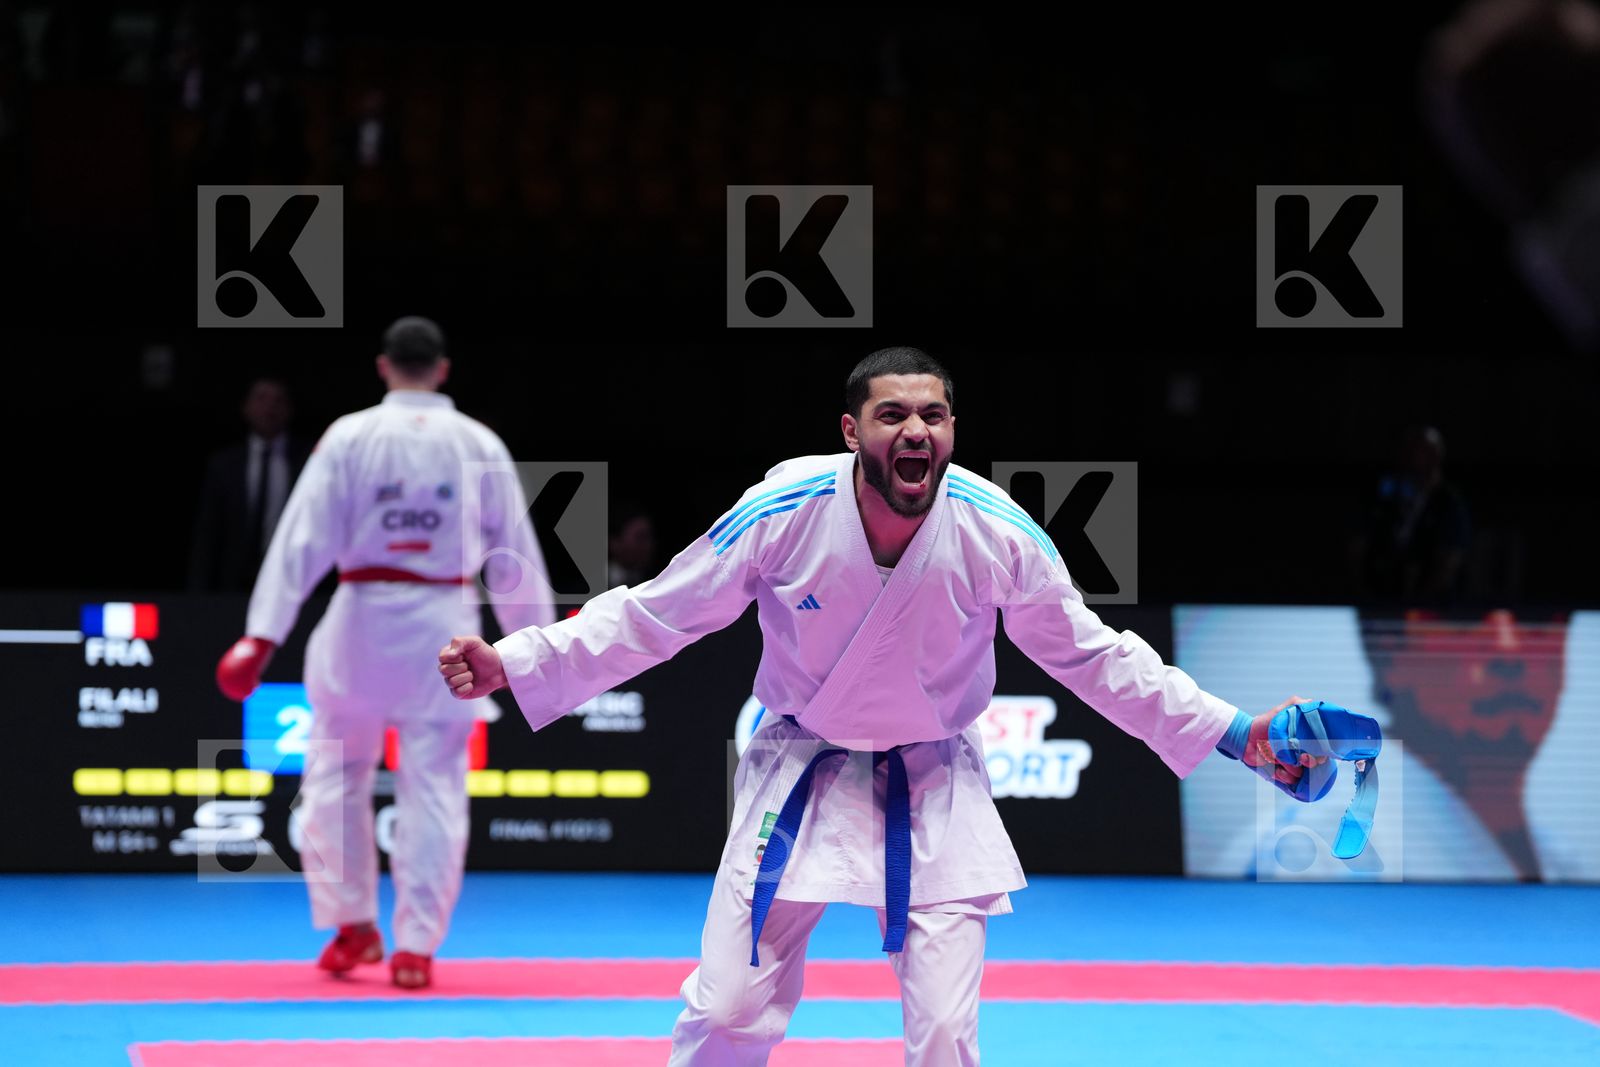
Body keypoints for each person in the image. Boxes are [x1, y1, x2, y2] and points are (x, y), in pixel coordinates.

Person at [438, 346, 1331, 1063]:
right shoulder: (782, 507)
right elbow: (658, 610)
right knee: (730, 1009)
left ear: (953, 430)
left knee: (945, 1035)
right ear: (851, 430)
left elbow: (1094, 655)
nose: (916, 431)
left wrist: (1233, 733)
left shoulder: (998, 530)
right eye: (893, 414)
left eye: (934, 415)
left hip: (936, 782)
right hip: (801, 772)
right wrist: (518, 659)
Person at [217, 317, 553, 990]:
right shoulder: (478, 440)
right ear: (442, 369)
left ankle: (354, 925)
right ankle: (416, 949)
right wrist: (536, 647)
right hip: (446, 628)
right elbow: (513, 556)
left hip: (359, 629)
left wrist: (262, 634)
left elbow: (301, 537)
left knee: (334, 778)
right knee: (435, 789)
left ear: (383, 366)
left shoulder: (350, 435)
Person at [189, 376, 312, 592]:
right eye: (262, 399)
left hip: (288, 579)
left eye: (278, 400)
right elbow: (208, 533)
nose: (270, 408)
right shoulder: (224, 464)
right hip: (231, 584)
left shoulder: (308, 461)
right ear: (246, 407)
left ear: (290, 410)